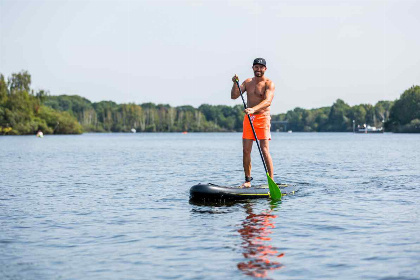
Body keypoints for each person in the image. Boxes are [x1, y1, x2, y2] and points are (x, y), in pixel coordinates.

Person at [231, 58, 275, 188]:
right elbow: (234, 96)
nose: (258, 69)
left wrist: (254, 109)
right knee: (246, 150)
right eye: (256, 67)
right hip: (249, 119)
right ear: (253, 68)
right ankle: (247, 180)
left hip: (263, 117)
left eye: (261, 67)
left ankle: (271, 181)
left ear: (265, 69)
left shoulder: (269, 83)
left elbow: (268, 101)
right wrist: (235, 83)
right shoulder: (248, 82)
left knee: (264, 150)